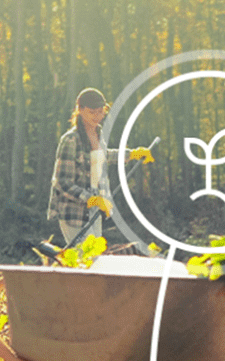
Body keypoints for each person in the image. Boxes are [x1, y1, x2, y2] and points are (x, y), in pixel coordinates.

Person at [48, 88, 153, 246]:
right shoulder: (70, 140)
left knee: (95, 260)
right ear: (80, 110)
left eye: (101, 111)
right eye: (92, 112)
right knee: (86, 260)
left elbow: (102, 157)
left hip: (95, 210)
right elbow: (61, 182)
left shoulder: (97, 134)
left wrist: (132, 154)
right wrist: (90, 199)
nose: (98, 116)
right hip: (74, 212)